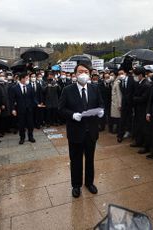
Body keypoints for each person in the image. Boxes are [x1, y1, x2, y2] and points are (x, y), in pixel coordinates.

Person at [58, 63, 104, 198]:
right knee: (76, 160)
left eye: (85, 71)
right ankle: (76, 185)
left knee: (90, 159)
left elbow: (101, 104)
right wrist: (72, 115)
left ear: (89, 74)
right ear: (75, 74)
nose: (83, 74)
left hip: (91, 131)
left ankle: (89, 183)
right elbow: (61, 109)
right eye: (80, 71)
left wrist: (101, 111)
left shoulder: (95, 88)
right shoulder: (67, 90)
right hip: (75, 131)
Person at [10, 72, 37, 144]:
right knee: (21, 124)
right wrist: (13, 109)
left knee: (30, 124)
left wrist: (36, 104)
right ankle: (22, 138)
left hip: (29, 109)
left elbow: (33, 98)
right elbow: (12, 100)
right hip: (20, 109)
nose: (28, 80)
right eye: (26, 78)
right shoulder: (14, 88)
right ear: (22, 79)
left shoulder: (29, 87)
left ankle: (30, 136)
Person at [130, 67, 151, 153]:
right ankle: (139, 141)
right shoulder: (140, 83)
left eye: (135, 75)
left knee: (144, 128)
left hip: (144, 109)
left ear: (141, 75)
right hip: (138, 109)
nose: (134, 77)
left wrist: (134, 98)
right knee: (139, 126)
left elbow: (144, 98)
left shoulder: (146, 84)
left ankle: (146, 146)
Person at [118, 67, 135, 140]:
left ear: (125, 73)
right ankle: (120, 135)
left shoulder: (132, 80)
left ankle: (130, 132)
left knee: (130, 119)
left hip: (132, 103)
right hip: (124, 103)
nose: (121, 75)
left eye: (122, 73)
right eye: (119, 74)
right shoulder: (120, 82)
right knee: (123, 119)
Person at [110, 70, 122, 139]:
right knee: (116, 117)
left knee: (118, 118)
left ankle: (118, 130)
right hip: (114, 102)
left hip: (117, 103)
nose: (111, 76)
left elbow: (119, 94)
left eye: (112, 75)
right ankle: (117, 129)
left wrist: (120, 104)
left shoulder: (117, 82)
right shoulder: (114, 82)